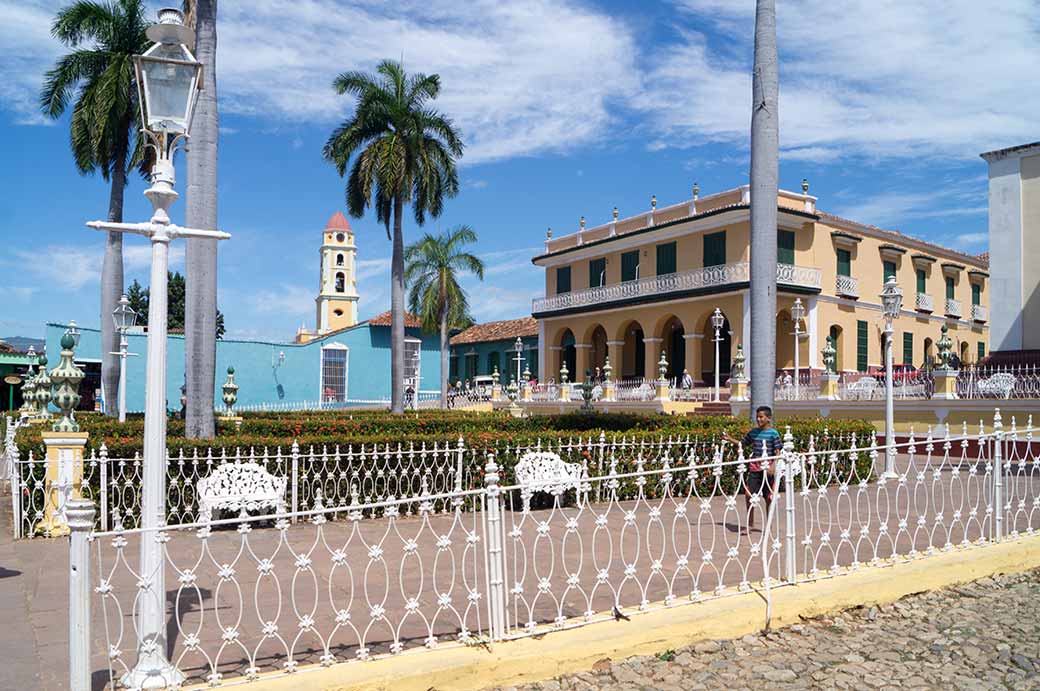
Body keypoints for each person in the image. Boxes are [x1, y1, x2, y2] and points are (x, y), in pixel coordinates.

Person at [724, 406, 782, 534]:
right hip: (755, 468)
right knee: (748, 494)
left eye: (761, 417)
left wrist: (773, 466)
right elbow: (743, 444)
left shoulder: (774, 433)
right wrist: (730, 439)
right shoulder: (753, 432)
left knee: (768, 498)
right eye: (757, 417)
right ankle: (750, 524)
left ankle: (769, 525)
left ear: (768, 418)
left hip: (768, 469)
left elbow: (778, 451)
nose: (758, 419)